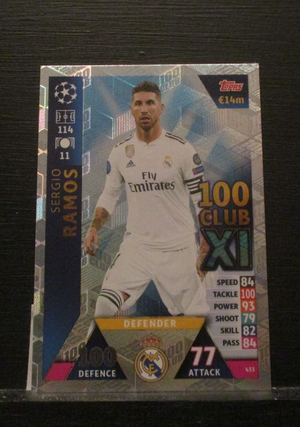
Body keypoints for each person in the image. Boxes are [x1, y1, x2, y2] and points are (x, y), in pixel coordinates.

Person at [84, 81, 209, 333]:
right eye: (138, 103)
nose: (144, 109)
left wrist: (206, 243)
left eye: (150, 103)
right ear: (131, 109)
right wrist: (94, 227)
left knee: (196, 322)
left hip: (178, 248)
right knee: (104, 306)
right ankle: (93, 354)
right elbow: (109, 194)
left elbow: (202, 199)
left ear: (160, 108)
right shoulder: (120, 153)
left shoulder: (182, 149)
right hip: (138, 247)